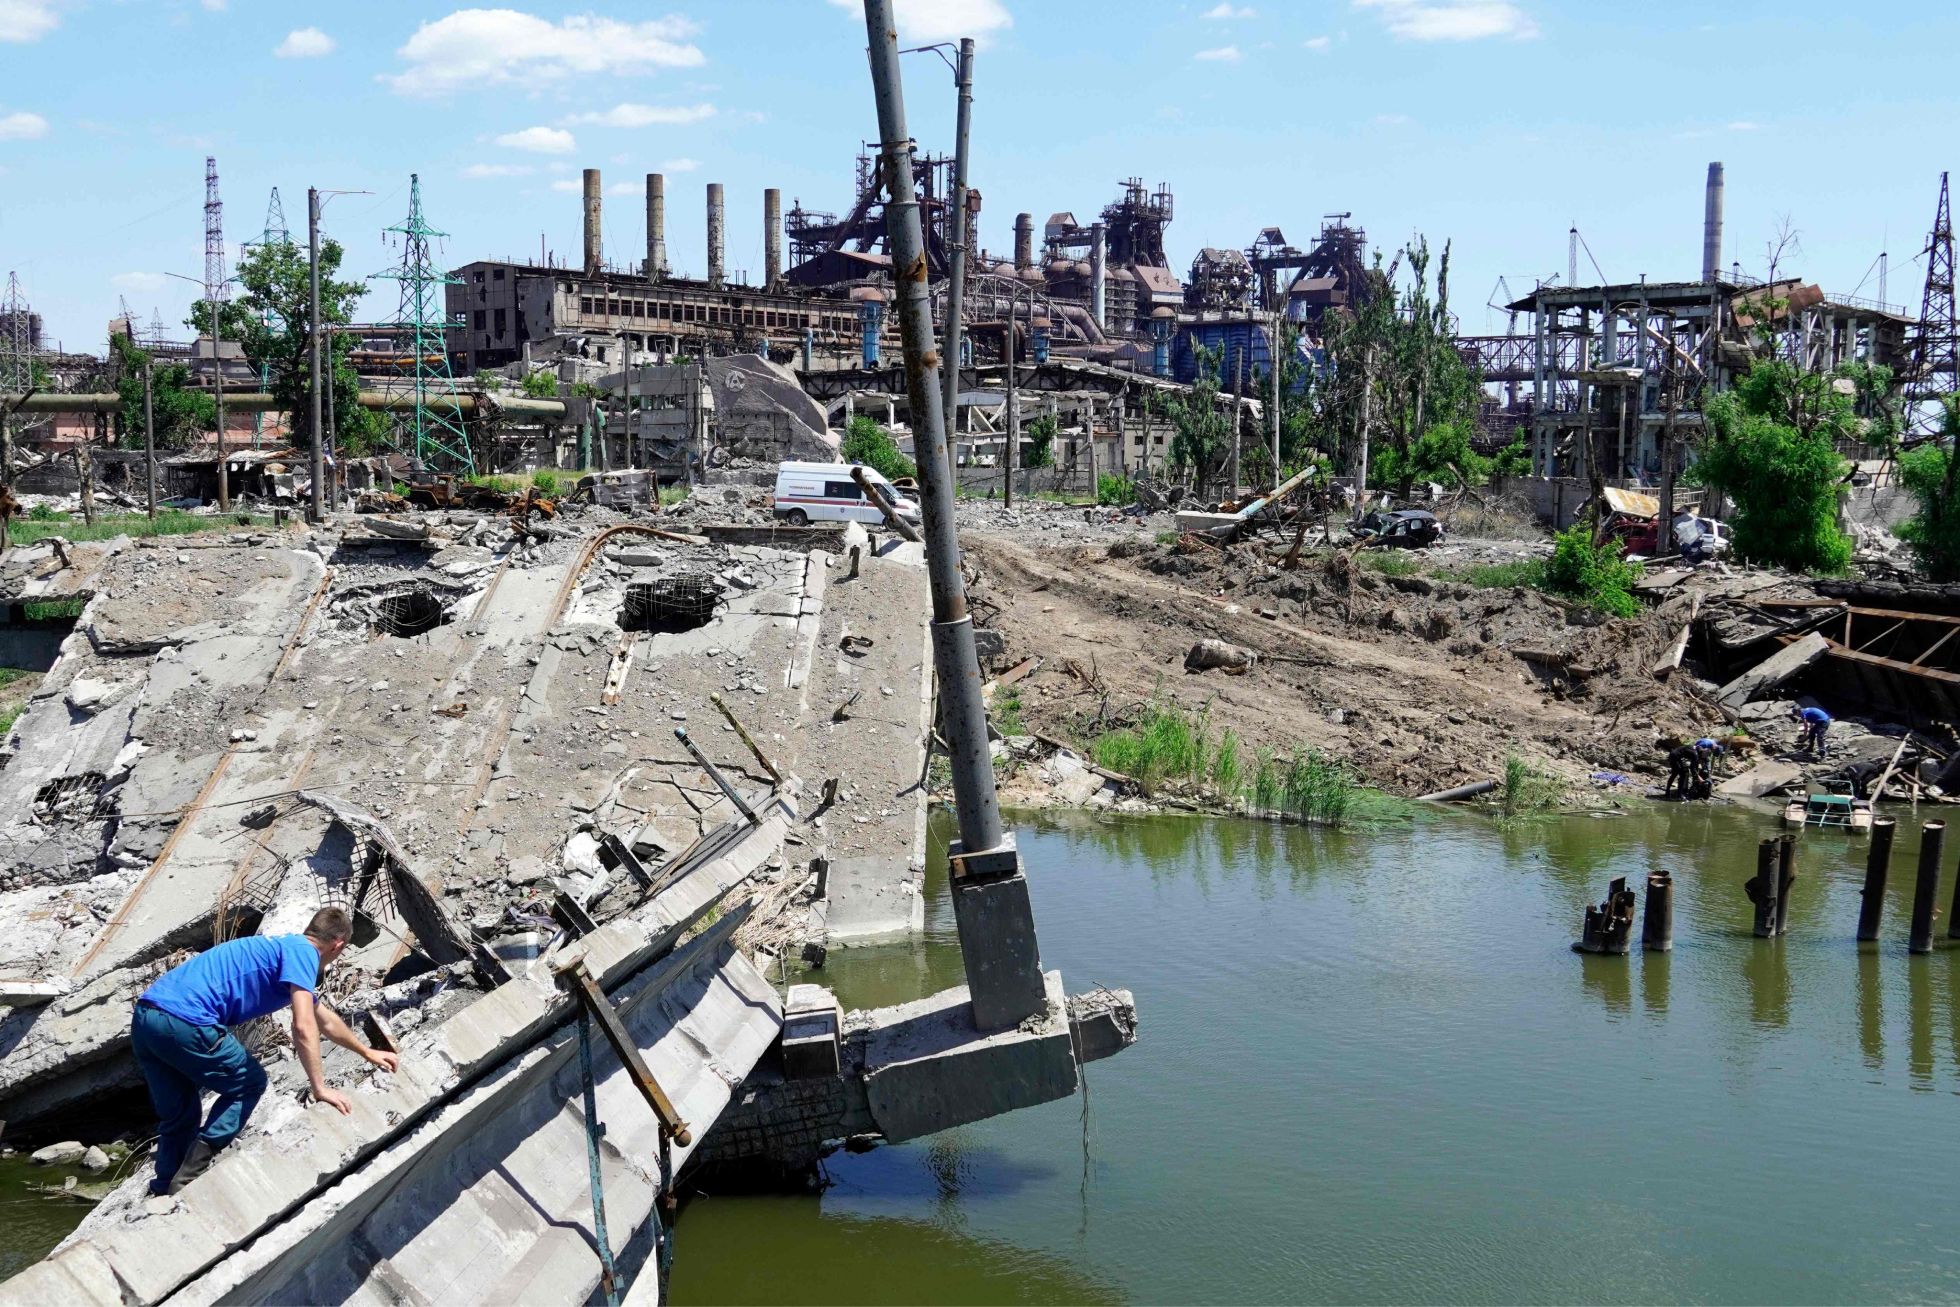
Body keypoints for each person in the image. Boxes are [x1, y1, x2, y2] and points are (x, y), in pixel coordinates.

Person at [130, 906, 399, 1196]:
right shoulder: (304, 954)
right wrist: (319, 1087)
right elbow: (303, 1025)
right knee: (249, 1084)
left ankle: (164, 1190)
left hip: (147, 1018)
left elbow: (325, 1020)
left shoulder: (283, 950)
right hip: (187, 1020)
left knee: (180, 1112)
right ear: (338, 945)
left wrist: (367, 1052)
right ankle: (189, 1177)